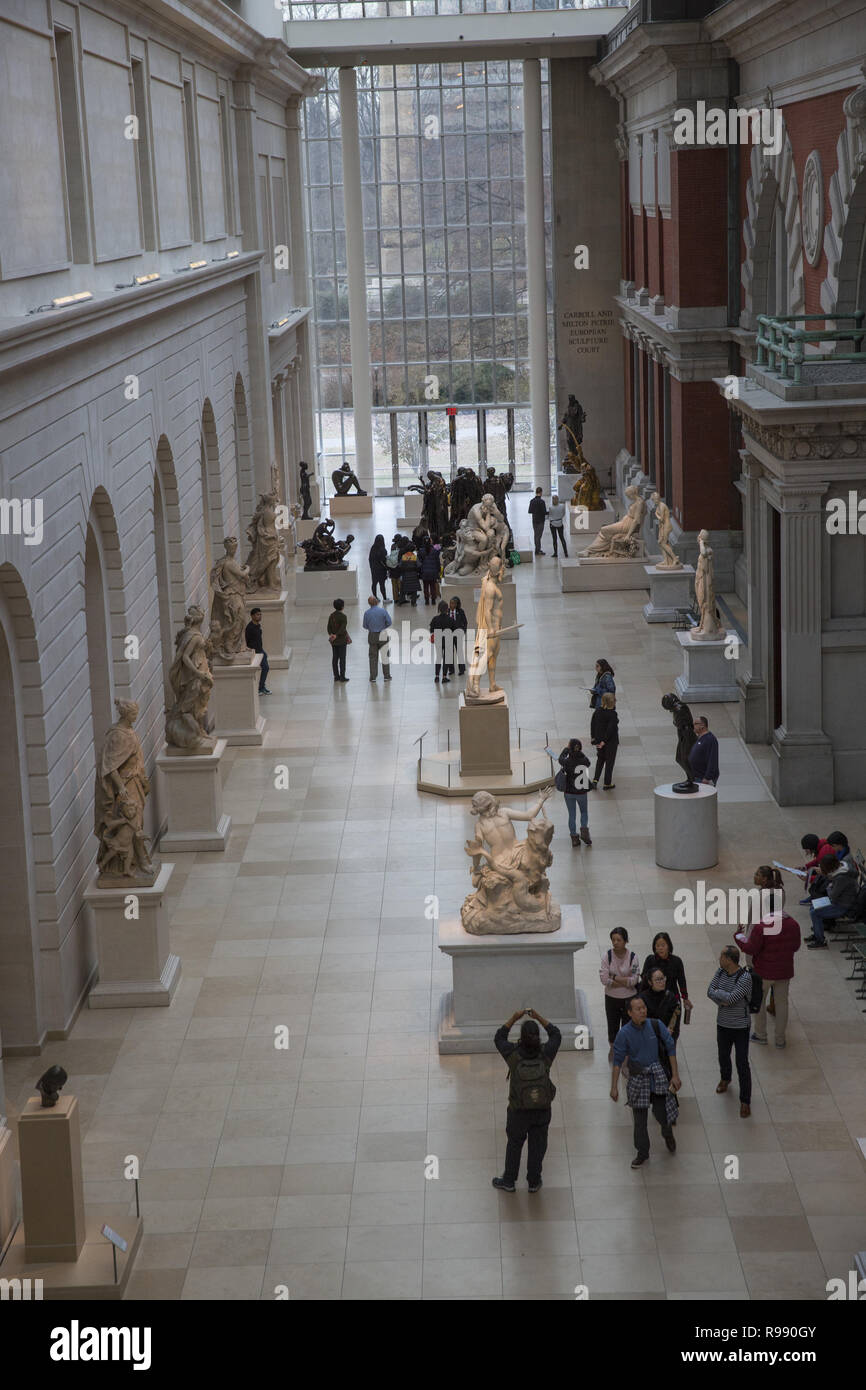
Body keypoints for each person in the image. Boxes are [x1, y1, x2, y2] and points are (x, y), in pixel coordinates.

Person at [492, 1007, 561, 1193]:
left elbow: (499, 1037)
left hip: (518, 1110)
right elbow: (556, 1034)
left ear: (521, 1036)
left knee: (514, 1144)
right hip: (542, 1109)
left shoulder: (513, 1054)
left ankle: (508, 1181)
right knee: (537, 1146)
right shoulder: (546, 1053)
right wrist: (538, 1016)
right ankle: (533, 1181)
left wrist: (514, 1017)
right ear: (537, 1036)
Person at [610, 995, 681, 1169]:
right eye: (638, 1009)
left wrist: (675, 1075)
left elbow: (671, 1048)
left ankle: (667, 1132)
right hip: (637, 1078)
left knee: (660, 1112)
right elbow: (618, 1061)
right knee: (639, 1119)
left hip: (656, 1075)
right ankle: (642, 1152)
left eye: (644, 1007)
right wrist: (614, 1087)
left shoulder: (656, 1025)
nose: (643, 1011)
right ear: (629, 1013)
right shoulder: (624, 1033)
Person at [735, 885, 800, 1048]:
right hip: (784, 971)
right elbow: (796, 946)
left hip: (763, 972)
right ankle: (780, 1039)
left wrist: (738, 935)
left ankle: (761, 1034)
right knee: (782, 1004)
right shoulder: (793, 924)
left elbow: (750, 948)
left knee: (759, 1002)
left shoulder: (761, 926)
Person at [708, 945, 752, 1117]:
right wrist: (722, 999)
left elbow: (733, 998)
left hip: (740, 1026)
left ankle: (745, 1101)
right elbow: (709, 991)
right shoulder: (720, 972)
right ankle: (725, 1078)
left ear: (728, 959)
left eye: (721, 955)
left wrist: (721, 995)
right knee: (723, 1055)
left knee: (742, 1062)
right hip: (723, 1024)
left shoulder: (744, 977)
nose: (719, 958)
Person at [600, 927, 641, 1061]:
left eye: (619, 940)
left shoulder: (633, 957)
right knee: (612, 1025)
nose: (615, 942)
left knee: (628, 1026)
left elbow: (634, 980)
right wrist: (624, 981)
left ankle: (627, 1055)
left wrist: (615, 977)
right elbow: (604, 979)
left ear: (626, 941)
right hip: (611, 998)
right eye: (613, 940)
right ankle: (613, 1048)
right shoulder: (608, 956)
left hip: (629, 998)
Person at [640, 932, 690, 1038]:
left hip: (672, 999)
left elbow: (682, 980)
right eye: (657, 946)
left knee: (672, 1033)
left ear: (669, 946)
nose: (660, 948)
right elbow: (644, 977)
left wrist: (685, 998)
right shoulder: (650, 959)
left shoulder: (676, 961)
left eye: (663, 945)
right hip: (653, 999)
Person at [806, 852, 859, 948]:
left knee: (815, 913)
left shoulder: (841, 877)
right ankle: (817, 934)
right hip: (840, 900)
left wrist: (829, 885)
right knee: (813, 906)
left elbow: (832, 895)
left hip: (843, 905)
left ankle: (820, 941)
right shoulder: (842, 868)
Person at [557, 738, 591, 848]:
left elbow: (560, 759)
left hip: (569, 792)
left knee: (572, 815)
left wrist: (566, 749)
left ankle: (574, 838)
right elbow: (588, 763)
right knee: (584, 812)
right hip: (582, 792)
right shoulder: (584, 760)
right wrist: (578, 751)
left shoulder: (567, 762)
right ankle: (584, 832)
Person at [589, 692, 618, 790]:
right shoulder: (613, 714)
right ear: (612, 703)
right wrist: (604, 741)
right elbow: (610, 729)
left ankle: (595, 780)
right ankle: (607, 783)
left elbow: (592, 724)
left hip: (599, 740)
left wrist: (594, 738)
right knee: (609, 763)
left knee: (600, 760)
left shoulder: (597, 711)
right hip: (610, 742)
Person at [363, 595, 392, 682]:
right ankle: (386, 676)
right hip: (382, 634)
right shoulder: (383, 611)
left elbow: (365, 626)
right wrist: (383, 626)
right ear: (377, 602)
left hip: (372, 635)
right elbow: (389, 622)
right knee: (385, 656)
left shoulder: (367, 613)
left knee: (373, 657)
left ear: (369, 603)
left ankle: (373, 677)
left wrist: (372, 628)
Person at [244, 606, 271, 694]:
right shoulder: (249, 628)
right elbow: (246, 641)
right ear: (252, 616)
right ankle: (260, 688)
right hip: (256, 652)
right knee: (265, 668)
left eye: (260, 614)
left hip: (261, 650)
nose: (259, 616)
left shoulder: (258, 626)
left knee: (265, 668)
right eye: (257, 615)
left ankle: (262, 687)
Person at [688, 715, 719, 785]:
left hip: (703, 778)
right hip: (696, 777)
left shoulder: (710, 739)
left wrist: (707, 777)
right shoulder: (699, 738)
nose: (693, 726)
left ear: (702, 725)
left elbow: (713, 759)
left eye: (695, 724)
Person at [429, 599, 453, 684]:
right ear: (447, 609)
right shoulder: (450, 619)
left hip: (438, 641)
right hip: (447, 641)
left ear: (439, 609)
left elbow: (431, 630)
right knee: (446, 659)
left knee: (439, 658)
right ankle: (444, 677)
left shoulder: (435, 619)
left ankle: (436, 677)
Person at [327, 597, 350, 682]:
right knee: (342, 659)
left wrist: (332, 635)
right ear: (342, 607)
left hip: (334, 641)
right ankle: (342, 676)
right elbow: (343, 628)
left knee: (335, 658)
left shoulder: (331, 616)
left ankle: (336, 676)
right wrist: (337, 635)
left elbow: (328, 627)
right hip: (342, 640)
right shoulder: (343, 617)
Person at [448, 595, 467, 677]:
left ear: (456, 604)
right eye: (450, 603)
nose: (450, 605)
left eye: (452, 603)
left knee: (459, 652)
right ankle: (451, 669)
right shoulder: (447, 611)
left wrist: (463, 631)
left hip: (458, 635)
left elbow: (465, 622)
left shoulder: (461, 611)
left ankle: (462, 669)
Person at [368, 535, 390, 603]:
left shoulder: (373, 548)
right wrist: (387, 568)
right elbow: (384, 561)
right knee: (382, 585)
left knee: (374, 584)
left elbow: (370, 559)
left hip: (374, 569)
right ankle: (385, 598)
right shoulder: (383, 550)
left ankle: (375, 597)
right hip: (381, 570)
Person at [528, 487, 547, 555]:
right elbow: (544, 512)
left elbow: (529, 511)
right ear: (541, 492)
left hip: (534, 520)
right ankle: (538, 550)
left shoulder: (532, 501)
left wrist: (535, 511)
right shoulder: (542, 502)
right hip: (541, 521)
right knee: (538, 536)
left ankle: (537, 549)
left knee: (536, 535)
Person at [386, 537, 402, 602]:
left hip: (392, 570)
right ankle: (401, 597)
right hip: (398, 569)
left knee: (394, 585)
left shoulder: (392, 546)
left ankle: (395, 598)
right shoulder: (400, 547)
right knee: (400, 584)